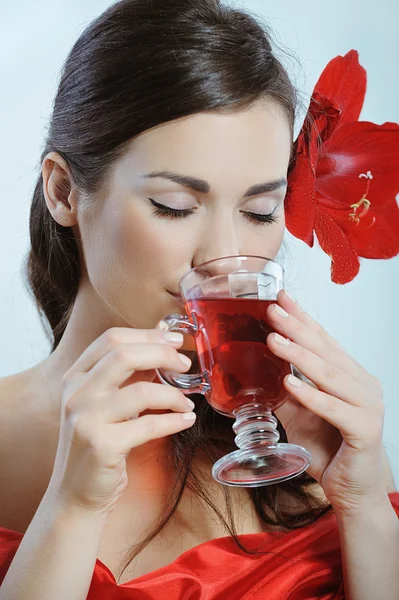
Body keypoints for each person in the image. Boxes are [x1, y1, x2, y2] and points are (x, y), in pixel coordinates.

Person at [0, 0, 398, 598]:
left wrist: (365, 500)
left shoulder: (314, 448)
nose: (224, 256)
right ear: (63, 192)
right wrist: (73, 509)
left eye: (260, 211)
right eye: (174, 207)